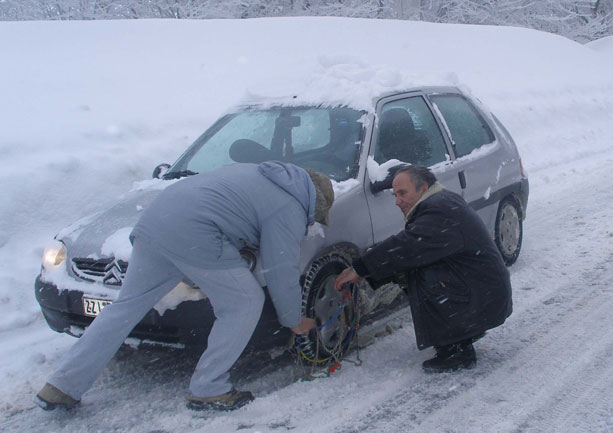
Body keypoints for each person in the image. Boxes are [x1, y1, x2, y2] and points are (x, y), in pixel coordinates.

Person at [35, 161, 334, 411]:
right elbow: (281, 269)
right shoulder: (290, 207)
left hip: (155, 222)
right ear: (315, 202)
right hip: (195, 231)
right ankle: (208, 387)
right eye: (317, 217)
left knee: (125, 308)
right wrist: (294, 320)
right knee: (244, 302)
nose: (311, 222)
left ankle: (61, 386)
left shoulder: (261, 175)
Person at [334, 165, 512, 373]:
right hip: (483, 292)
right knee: (412, 267)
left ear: (423, 188)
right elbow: (410, 247)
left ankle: (456, 349)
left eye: (402, 193)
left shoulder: (440, 209)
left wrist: (360, 268)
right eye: (394, 195)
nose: (397, 201)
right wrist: (368, 271)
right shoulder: (440, 201)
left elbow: (407, 246)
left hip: (483, 297)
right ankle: (462, 334)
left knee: (422, 275)